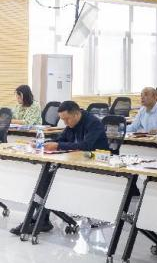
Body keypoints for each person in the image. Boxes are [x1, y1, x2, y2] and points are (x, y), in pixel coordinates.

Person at [11, 101, 110, 236]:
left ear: (76, 114)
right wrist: (42, 143)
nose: (65, 122)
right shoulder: (71, 124)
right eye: (62, 120)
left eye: (66, 119)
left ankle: (39, 219)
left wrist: (58, 146)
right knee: (45, 176)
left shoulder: (93, 123)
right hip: (78, 163)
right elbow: (60, 139)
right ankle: (40, 219)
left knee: (50, 179)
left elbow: (86, 146)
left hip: (97, 165)